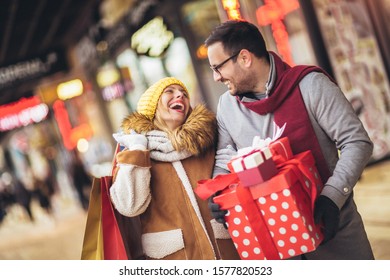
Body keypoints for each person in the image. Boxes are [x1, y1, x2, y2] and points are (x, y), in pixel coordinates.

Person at [205, 20, 374, 260]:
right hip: (275, 239)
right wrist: (219, 194)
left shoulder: (311, 85)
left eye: (218, 67)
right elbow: (225, 156)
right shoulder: (227, 106)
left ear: (244, 58)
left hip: (335, 227)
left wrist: (332, 196)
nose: (215, 78)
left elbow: (356, 142)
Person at [109, 77, 239, 260]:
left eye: (184, 93)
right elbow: (129, 207)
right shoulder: (135, 152)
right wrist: (138, 149)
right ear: (152, 107)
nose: (180, 95)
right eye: (170, 91)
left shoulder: (206, 142)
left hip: (224, 253)